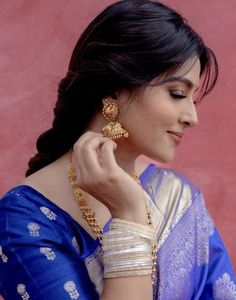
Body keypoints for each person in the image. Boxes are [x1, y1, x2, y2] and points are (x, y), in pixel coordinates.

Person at [0, 0, 235, 299]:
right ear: (112, 90)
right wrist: (129, 217)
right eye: (177, 94)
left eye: (192, 98)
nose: (192, 117)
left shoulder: (177, 198)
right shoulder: (23, 220)